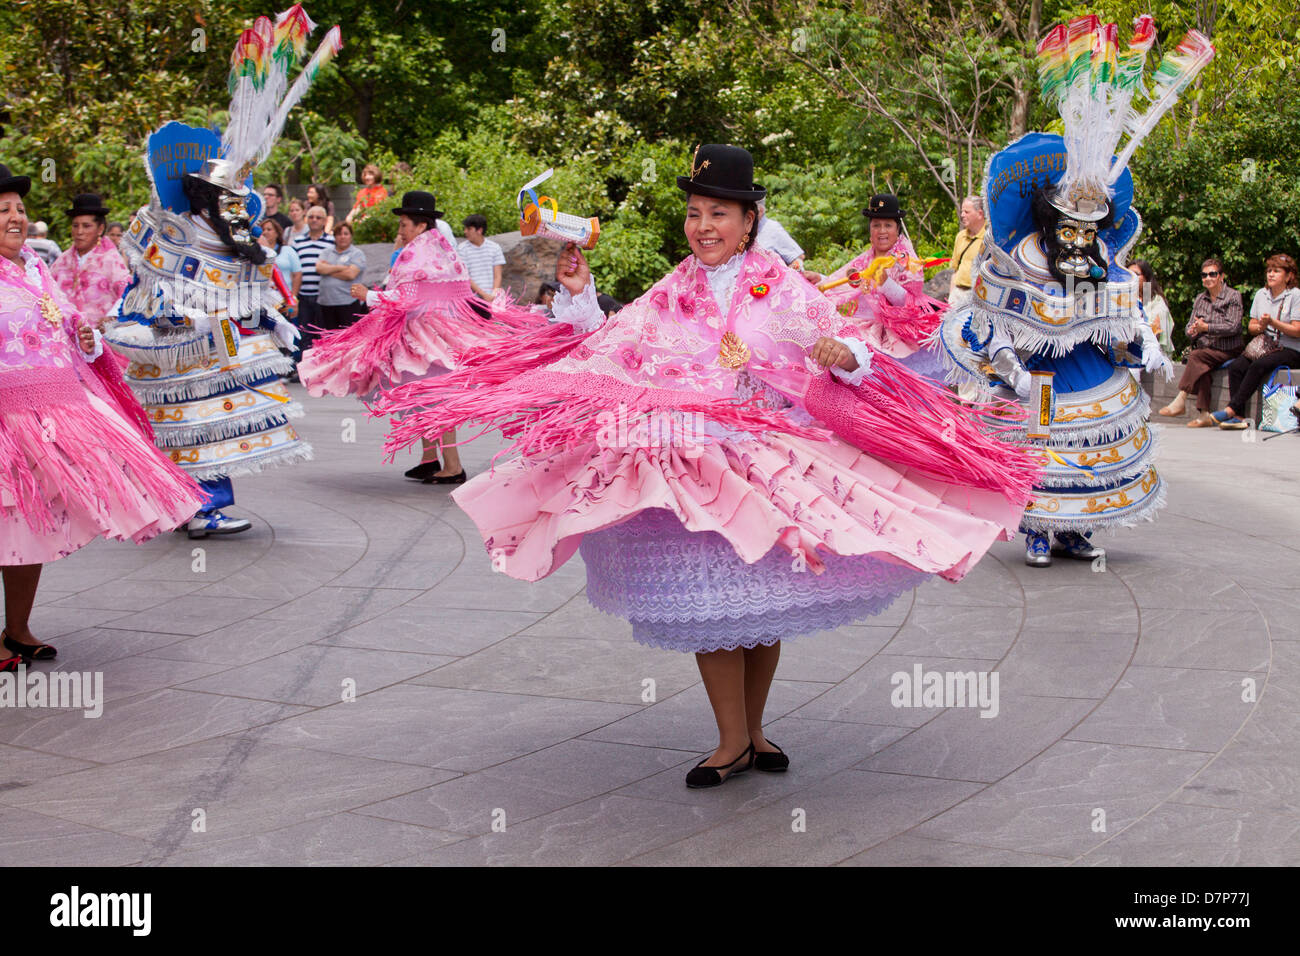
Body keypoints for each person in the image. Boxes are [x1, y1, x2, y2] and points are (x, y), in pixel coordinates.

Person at [374, 145, 1040, 786]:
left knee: (759, 607)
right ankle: (730, 740)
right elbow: (614, 342)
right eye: (695, 213)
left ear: (749, 219)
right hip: (689, 462)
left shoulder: (779, 285)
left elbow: (845, 347)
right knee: (711, 607)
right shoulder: (675, 289)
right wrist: (580, 295)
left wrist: (847, 357)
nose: (703, 227)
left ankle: (753, 732)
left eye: (718, 213)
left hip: (767, 455)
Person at [937, 14, 1208, 567]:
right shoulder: (1018, 262)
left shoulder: (1105, 266)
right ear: (1049, 225)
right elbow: (993, 325)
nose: (1081, 240)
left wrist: (1141, 346)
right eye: (1070, 230)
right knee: (1042, 453)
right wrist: (1009, 366)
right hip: (1036, 378)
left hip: (1092, 373)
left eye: (1089, 231)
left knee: (1090, 454)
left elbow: (1121, 328)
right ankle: (1038, 529)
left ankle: (1077, 531)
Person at [103, 10, 334, 538]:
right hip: (178, 357)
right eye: (228, 202)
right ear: (206, 200)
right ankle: (188, 507)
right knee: (182, 429)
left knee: (216, 432)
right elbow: (143, 289)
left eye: (241, 204)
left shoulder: (238, 240)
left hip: (222, 355)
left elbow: (249, 286)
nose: (240, 212)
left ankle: (203, 506)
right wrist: (173, 320)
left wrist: (271, 320)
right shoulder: (171, 230)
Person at [0, 164, 203, 671]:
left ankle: (17, 630)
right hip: (7, 417)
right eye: (3, 210)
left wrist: (84, 339)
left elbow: (67, 319)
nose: (16, 218)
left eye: (20, 209)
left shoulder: (35, 267)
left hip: (50, 411)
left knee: (28, 524)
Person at [298, 191, 540, 484]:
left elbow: (408, 298)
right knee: (422, 396)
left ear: (421, 226)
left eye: (404, 224)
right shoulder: (437, 250)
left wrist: (369, 295)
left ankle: (452, 466)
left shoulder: (422, 255)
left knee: (434, 399)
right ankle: (430, 459)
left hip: (427, 337)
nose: (400, 230)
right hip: (429, 334)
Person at [810, 193, 947, 379]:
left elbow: (909, 302)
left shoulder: (905, 260)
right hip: (867, 332)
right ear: (870, 230)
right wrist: (819, 279)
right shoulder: (867, 259)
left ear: (897, 229)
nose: (882, 231)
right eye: (876, 225)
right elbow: (846, 284)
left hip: (901, 335)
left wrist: (885, 282)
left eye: (888, 225)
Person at [1210, 254, 1300, 429]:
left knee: (1258, 366)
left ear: (1289, 276)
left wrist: (1273, 323)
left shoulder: (1295, 295)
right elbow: (1251, 326)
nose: (1271, 274)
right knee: (1236, 367)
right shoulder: (1261, 294)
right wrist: (1260, 326)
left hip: (1290, 349)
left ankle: (1230, 409)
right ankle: (1238, 417)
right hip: (1265, 346)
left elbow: (1297, 330)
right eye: (1269, 271)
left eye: (1276, 271)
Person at [1157, 258, 1244, 425]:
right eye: (1204, 275)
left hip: (1228, 348)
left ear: (1221, 276)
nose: (1208, 278)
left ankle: (1181, 398)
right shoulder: (1200, 299)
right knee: (1201, 365)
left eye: (1212, 274)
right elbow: (1190, 325)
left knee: (1196, 357)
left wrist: (1207, 328)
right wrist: (1193, 330)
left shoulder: (1233, 296)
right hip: (1207, 349)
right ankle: (1204, 414)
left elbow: (1233, 326)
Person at [49, 193, 131, 327]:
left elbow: (128, 295)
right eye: (75, 226)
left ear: (100, 229)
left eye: (86, 226)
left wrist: (112, 318)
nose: (79, 232)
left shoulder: (111, 261)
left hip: (99, 340)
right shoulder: (62, 262)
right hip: (64, 338)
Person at [293, 205, 335, 350]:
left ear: (324, 221)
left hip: (324, 296)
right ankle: (304, 367)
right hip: (303, 296)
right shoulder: (298, 241)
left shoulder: (332, 241)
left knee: (323, 332)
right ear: (306, 220)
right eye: (311, 217)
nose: (314, 220)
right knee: (304, 333)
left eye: (318, 217)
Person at [315, 221, 367, 329]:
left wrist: (328, 270)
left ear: (351, 236)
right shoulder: (326, 252)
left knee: (348, 339)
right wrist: (341, 268)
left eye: (346, 234)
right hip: (325, 303)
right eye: (339, 234)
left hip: (347, 303)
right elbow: (319, 268)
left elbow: (350, 274)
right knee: (328, 339)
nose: (342, 237)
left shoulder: (357, 253)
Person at [259, 217, 301, 321]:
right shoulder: (256, 253)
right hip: (263, 301)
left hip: (285, 300)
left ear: (277, 233)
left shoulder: (287, 250)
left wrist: (292, 298)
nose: (265, 232)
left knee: (288, 331)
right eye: (263, 230)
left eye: (269, 229)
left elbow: (297, 275)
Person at [1132, 259, 1173, 357]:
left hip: (1151, 353)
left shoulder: (1157, 302)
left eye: (1136, 274)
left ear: (1146, 278)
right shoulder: (1120, 299)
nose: (1131, 277)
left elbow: (1156, 332)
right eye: (1128, 273)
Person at [458, 213, 505, 299]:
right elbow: (465, 276)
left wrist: (493, 295)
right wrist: (483, 295)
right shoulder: (462, 249)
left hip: (492, 297)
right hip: (472, 298)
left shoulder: (494, 247)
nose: (465, 231)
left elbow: (498, 276)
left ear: (479, 230)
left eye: (469, 229)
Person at [753, 198, 804, 270]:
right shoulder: (743, 230)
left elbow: (798, 259)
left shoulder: (773, 229)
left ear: (760, 211)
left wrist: (783, 276)